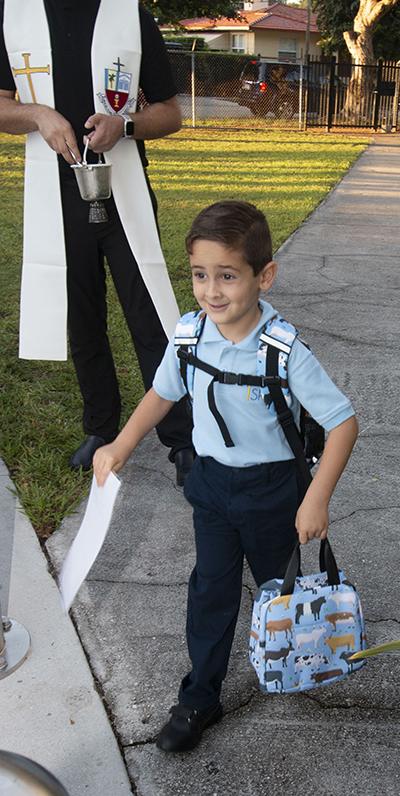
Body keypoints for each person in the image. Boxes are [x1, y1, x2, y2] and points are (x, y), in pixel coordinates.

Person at [93, 200, 359, 752]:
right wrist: (121, 444)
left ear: (264, 276)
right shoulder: (191, 336)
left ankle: (290, 655)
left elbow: (343, 424)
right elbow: (162, 393)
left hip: (274, 494)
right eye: (199, 275)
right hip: (212, 487)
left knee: (276, 594)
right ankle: (199, 699)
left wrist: (317, 499)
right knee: (210, 594)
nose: (211, 290)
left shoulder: (284, 353)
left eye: (227, 276)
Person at [0, 0, 193, 484]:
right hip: (55, 196)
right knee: (82, 318)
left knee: (148, 316)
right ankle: (100, 427)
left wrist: (124, 125)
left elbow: (170, 114)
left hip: (122, 188)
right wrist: (39, 114)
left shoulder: (131, 15)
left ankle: (183, 439)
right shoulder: (13, 15)